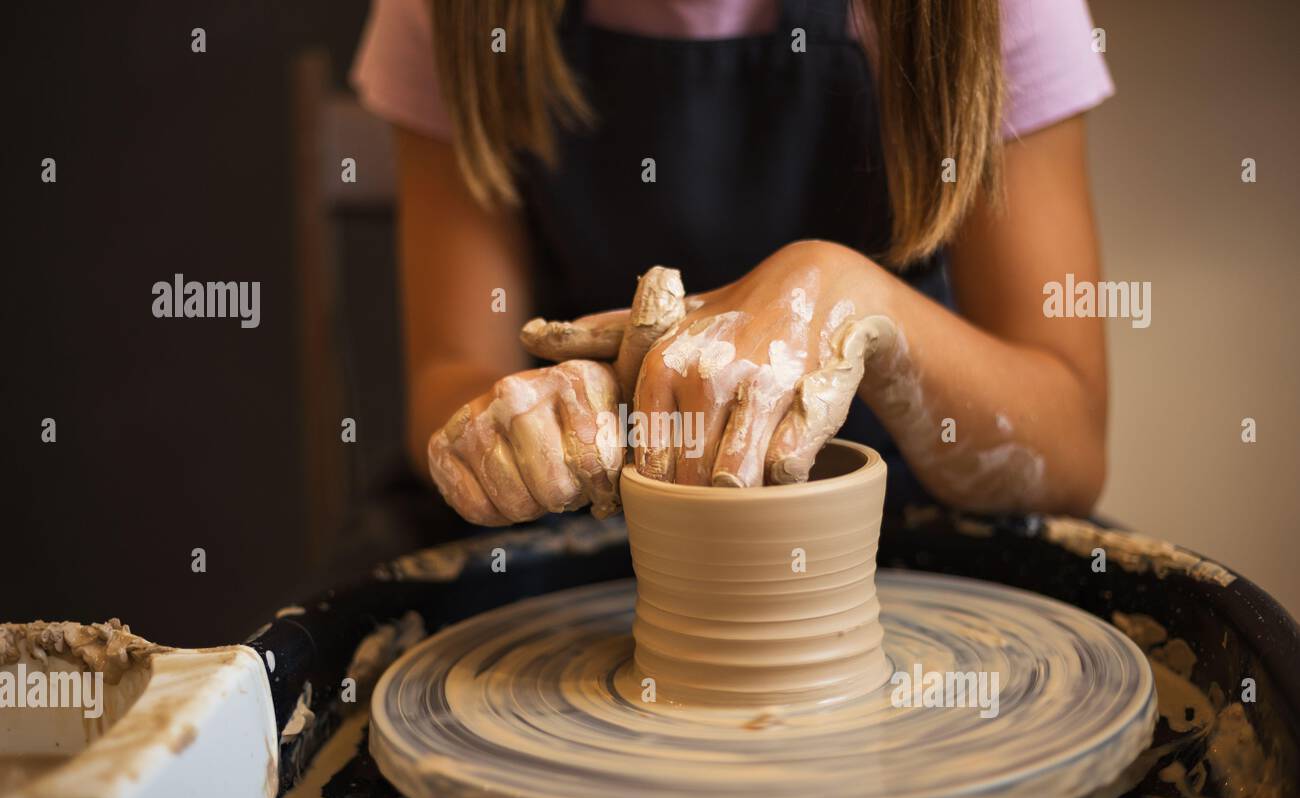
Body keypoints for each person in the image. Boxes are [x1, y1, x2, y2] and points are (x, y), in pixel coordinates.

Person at [351, 0, 1113, 531]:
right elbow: (449, 373)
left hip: (897, 530)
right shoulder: (460, 10)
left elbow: (1069, 447)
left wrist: (851, 299)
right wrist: (544, 424)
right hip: (587, 526)